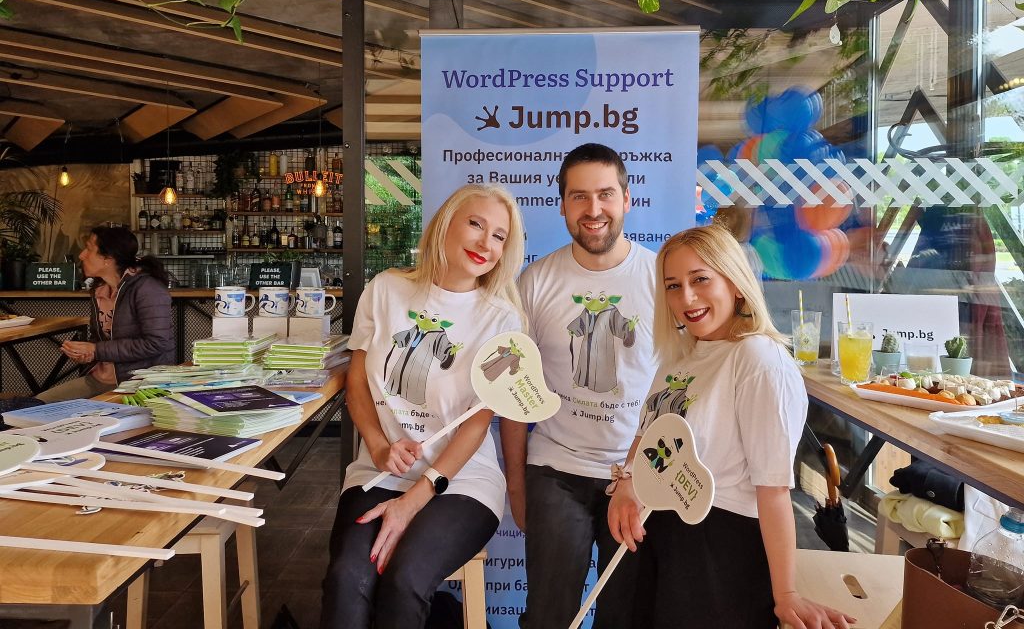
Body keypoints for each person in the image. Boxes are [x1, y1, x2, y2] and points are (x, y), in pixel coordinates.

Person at [607, 225, 856, 629]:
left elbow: (773, 488)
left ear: (735, 282)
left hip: (717, 552)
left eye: (700, 279)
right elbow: (645, 436)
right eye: (673, 285)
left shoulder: (759, 359)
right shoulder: (681, 354)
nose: (686, 297)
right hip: (658, 540)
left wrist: (786, 595)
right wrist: (626, 485)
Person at [319, 184, 526, 629]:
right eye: (475, 224)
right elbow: (357, 380)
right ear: (445, 223)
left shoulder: (502, 319)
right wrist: (376, 445)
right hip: (379, 470)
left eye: (499, 236)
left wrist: (415, 498)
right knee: (346, 579)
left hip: (461, 480)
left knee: (404, 580)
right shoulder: (385, 289)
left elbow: (478, 422)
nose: (485, 243)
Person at [500, 143, 657, 629]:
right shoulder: (536, 282)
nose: (594, 210)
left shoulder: (660, 280)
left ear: (627, 199)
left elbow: (681, 387)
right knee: (548, 615)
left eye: (606, 194)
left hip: (636, 476)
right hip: (555, 468)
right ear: (562, 204)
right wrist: (518, 485)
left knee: (626, 614)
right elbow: (513, 393)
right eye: (579, 197)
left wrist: (640, 474)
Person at [36, 225, 174, 403]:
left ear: (108, 259)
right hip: (99, 379)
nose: (81, 255)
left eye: (88, 249)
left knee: (56, 417)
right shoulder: (99, 290)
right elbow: (99, 340)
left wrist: (96, 350)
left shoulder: (147, 288)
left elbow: (157, 343)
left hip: (138, 384)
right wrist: (87, 354)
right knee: (35, 405)